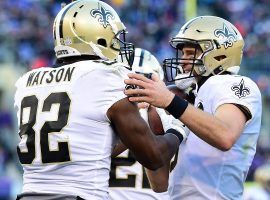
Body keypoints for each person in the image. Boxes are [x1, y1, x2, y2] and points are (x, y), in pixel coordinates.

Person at [14, 1, 186, 200]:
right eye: (114, 37)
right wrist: (177, 127)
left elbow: (91, 137)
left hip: (28, 195)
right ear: (96, 36)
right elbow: (154, 157)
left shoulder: (27, 81)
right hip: (79, 195)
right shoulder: (103, 76)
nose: (118, 43)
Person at [124, 16, 262, 199]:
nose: (183, 61)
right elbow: (159, 184)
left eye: (190, 54)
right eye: (182, 54)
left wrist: (169, 101)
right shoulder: (191, 98)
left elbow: (225, 135)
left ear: (219, 55)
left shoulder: (232, 84)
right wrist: (153, 122)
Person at [109, 48, 172, 200]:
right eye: (130, 83)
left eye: (142, 82)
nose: (136, 89)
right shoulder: (169, 115)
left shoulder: (104, 113)